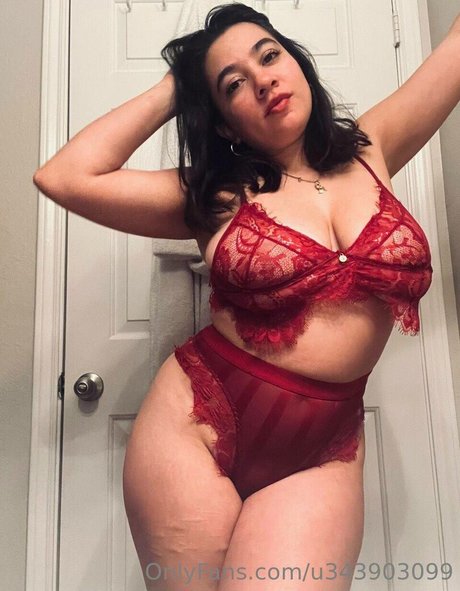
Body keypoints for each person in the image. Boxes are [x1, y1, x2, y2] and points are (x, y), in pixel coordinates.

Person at [33, 4, 459, 590]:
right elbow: (65, 177)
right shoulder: (212, 197)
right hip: (194, 426)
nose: (262, 80)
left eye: (269, 56)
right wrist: (178, 84)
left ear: (297, 64)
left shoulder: (373, 147)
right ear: (225, 124)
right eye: (233, 83)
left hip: (324, 446)